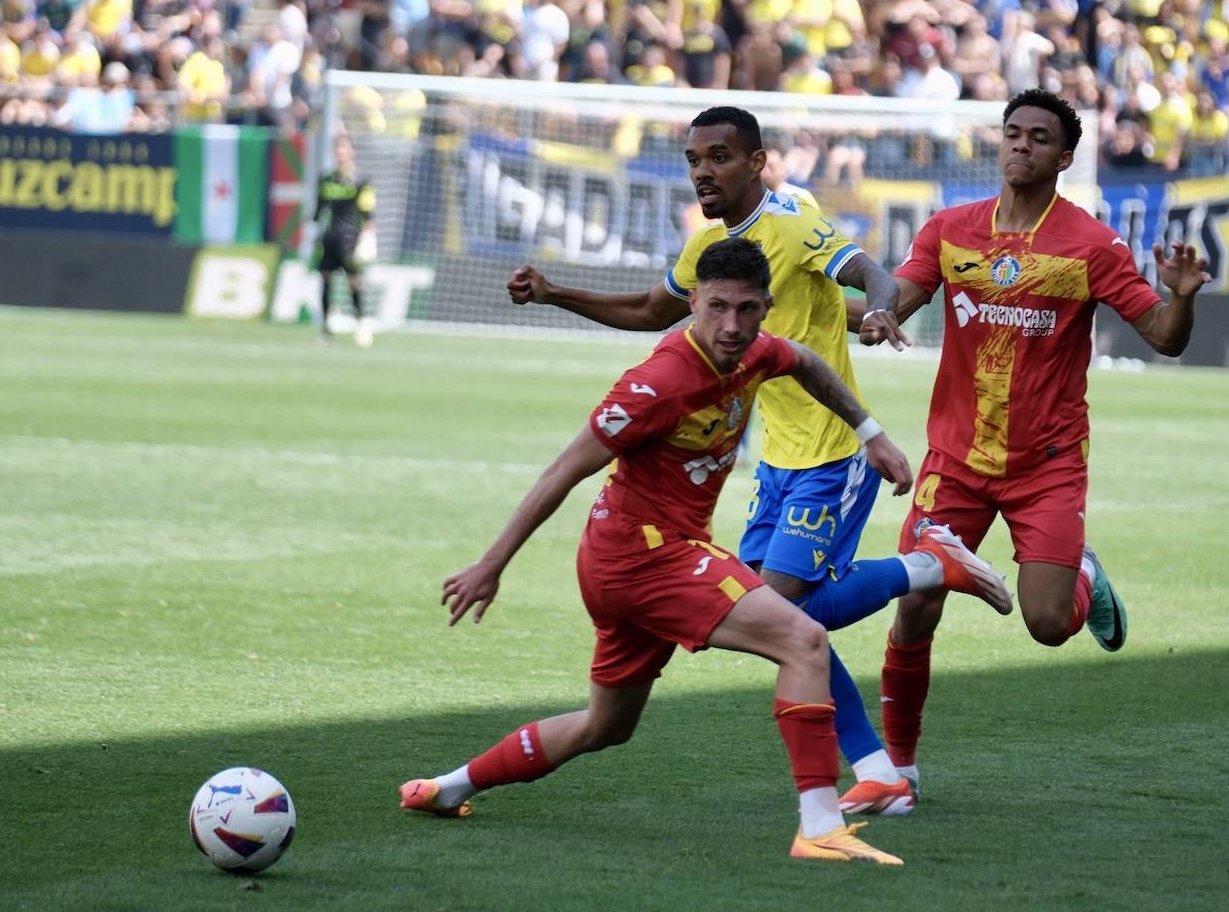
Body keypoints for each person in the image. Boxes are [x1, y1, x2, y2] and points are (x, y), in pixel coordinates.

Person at [403, 238, 1009, 862]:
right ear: (692, 301)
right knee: (801, 637)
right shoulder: (658, 383)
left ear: (765, 306)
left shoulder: (754, 349)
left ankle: (450, 787)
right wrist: (492, 563)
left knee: (605, 725)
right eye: (716, 307)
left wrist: (870, 434)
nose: (731, 325)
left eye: (747, 309)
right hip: (644, 557)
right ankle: (821, 825)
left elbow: (804, 360)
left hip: (642, 557)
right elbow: (564, 470)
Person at [506, 106, 997, 818]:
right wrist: (557, 294)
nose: (705, 170)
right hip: (777, 458)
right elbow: (652, 312)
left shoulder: (796, 226)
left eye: (720, 157)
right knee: (787, 621)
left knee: (787, 612)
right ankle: (878, 770)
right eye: (695, 159)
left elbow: (872, 275)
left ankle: (930, 567)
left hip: (834, 452)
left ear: (756, 162)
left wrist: (885, 310)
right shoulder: (711, 250)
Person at [857, 88, 1211, 798]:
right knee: (917, 605)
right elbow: (896, 297)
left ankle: (1083, 572)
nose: (1021, 145)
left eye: (1038, 138)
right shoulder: (951, 230)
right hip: (955, 460)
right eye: (1012, 133)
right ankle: (899, 767)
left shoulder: (1090, 244)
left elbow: (1164, 340)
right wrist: (873, 313)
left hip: (1045, 466)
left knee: (1049, 626)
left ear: (1064, 156)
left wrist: (1182, 296)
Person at [313, 134, 377, 348]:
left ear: (352, 151)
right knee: (325, 280)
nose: (340, 152)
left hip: (350, 238)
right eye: (337, 148)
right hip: (329, 238)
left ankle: (361, 324)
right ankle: (325, 328)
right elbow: (318, 211)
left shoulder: (361, 180)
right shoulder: (326, 179)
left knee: (353, 282)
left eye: (344, 148)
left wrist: (368, 236)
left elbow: (368, 212)